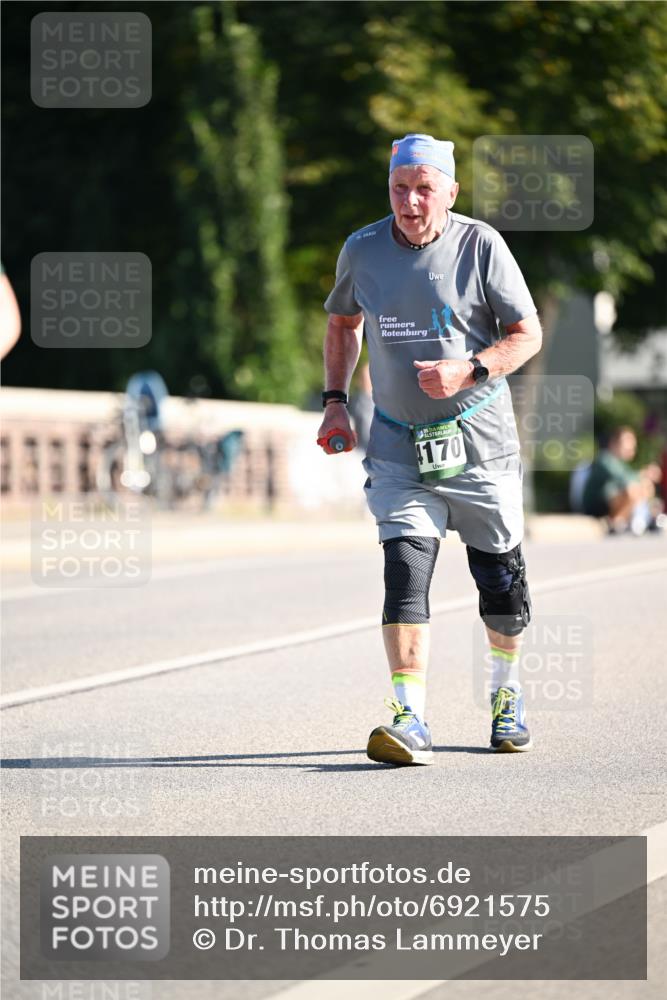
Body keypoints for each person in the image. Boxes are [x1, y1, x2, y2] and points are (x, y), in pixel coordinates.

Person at [317, 133, 542, 765]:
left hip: (479, 442)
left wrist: (470, 369)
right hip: (397, 442)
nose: (410, 202)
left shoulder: (481, 246)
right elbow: (342, 323)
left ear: (450, 190)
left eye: (423, 189)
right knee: (405, 571)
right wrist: (336, 401)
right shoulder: (362, 250)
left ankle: (506, 694)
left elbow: (527, 334)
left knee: (499, 579)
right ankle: (410, 717)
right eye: (399, 188)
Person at [581, 425, 663, 535]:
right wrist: (645, 474)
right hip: (596, 507)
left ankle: (643, 518)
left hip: (610, 503)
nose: (632, 448)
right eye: (628, 445)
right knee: (632, 490)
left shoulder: (620, 463)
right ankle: (617, 522)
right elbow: (625, 479)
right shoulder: (605, 459)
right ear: (614, 444)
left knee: (644, 487)